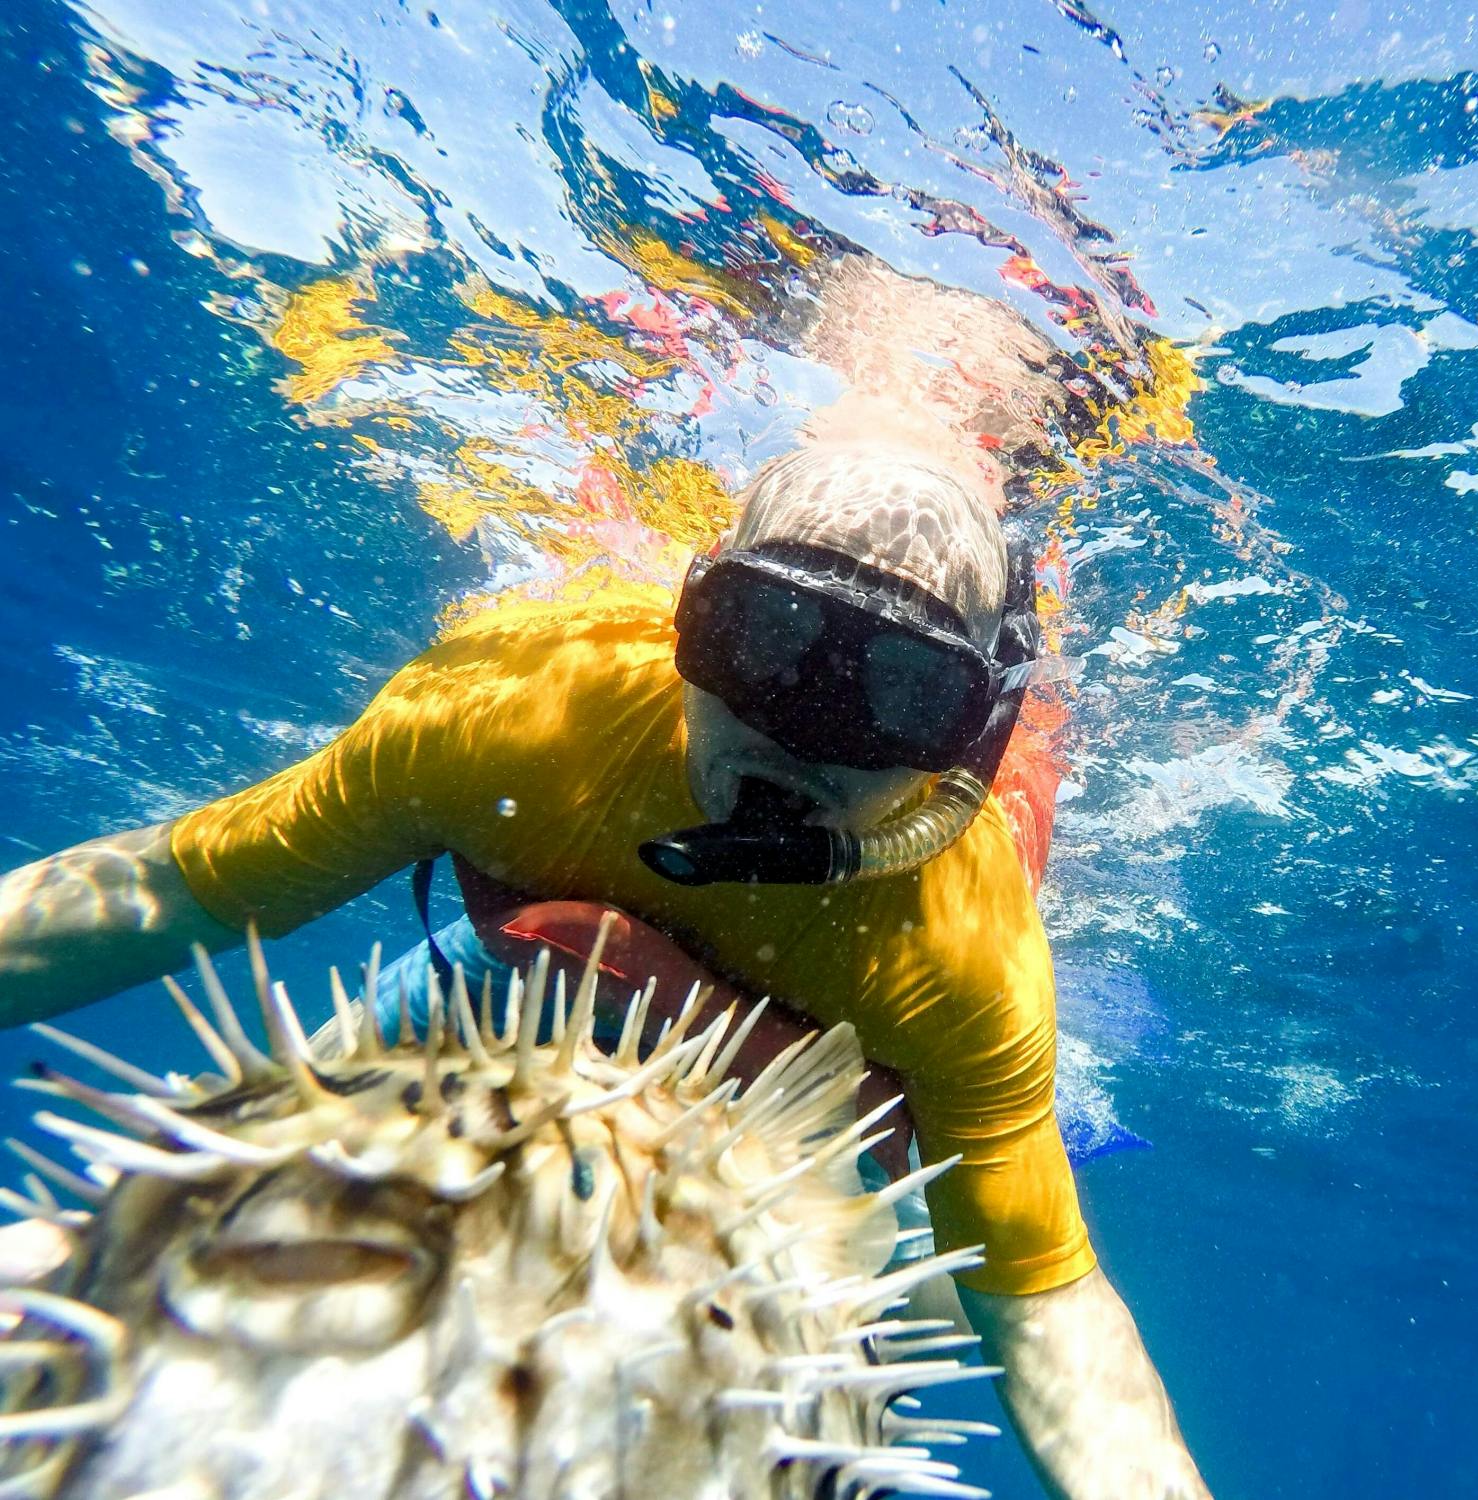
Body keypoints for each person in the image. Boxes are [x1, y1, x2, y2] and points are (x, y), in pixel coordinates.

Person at [0, 264, 1213, 1500]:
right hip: (519, 980)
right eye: (761, 639)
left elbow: (1041, 1303)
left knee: (924, 1326)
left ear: (967, 736)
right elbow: (172, 889)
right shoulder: (518, 715)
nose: (796, 727)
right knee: (252, 1183)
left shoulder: (960, 946)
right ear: (686, 617)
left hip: (803, 1117)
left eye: (897, 694)